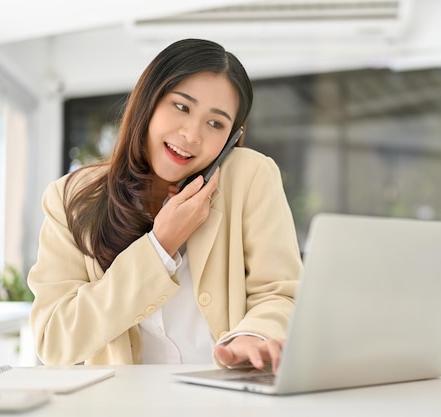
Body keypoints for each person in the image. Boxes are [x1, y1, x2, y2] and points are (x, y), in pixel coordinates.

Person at [27, 38, 302, 372]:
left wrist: (254, 334)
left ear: (232, 137)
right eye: (182, 107)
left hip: (228, 400)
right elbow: (54, 340)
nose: (192, 134)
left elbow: (280, 292)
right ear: (149, 102)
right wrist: (159, 248)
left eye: (215, 123)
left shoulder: (250, 176)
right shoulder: (71, 197)